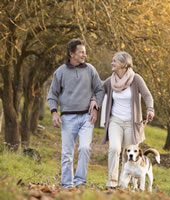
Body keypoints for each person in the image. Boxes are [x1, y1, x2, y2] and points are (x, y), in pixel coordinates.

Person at [47, 38, 104, 189]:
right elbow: (52, 95)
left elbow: (100, 88)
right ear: (71, 54)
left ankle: (80, 182)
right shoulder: (60, 72)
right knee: (67, 153)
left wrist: (95, 103)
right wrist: (54, 112)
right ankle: (67, 185)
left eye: (85, 52)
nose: (84, 55)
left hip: (87, 116)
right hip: (67, 118)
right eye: (81, 52)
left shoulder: (90, 69)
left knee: (85, 148)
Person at [95, 51, 154, 189]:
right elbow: (98, 90)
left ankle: (124, 183)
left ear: (124, 64)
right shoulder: (110, 81)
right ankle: (112, 181)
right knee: (114, 148)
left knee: (128, 155)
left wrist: (150, 109)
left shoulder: (136, 79)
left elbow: (147, 95)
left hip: (132, 124)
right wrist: (93, 101)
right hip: (115, 120)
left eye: (114, 61)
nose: (112, 63)